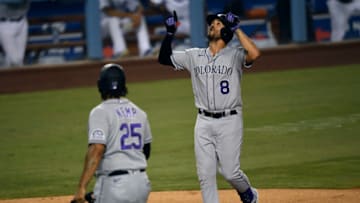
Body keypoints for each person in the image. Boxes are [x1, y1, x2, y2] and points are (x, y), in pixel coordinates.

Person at [158, 11, 260, 203]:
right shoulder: (194, 56)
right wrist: (170, 33)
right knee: (205, 175)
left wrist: (237, 29)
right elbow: (164, 58)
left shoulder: (235, 55)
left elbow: (254, 53)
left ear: (226, 31)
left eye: (219, 24)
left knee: (230, 173)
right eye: (212, 23)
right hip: (203, 122)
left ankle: (248, 193)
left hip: (230, 120)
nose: (213, 25)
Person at [70, 63, 153, 203]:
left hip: (114, 183)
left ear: (100, 86)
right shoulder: (140, 113)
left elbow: (97, 149)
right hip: (141, 184)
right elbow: (146, 151)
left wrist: (81, 187)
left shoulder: (100, 112)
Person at [0, 0, 30, 68]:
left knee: (19, 59)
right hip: (5, 24)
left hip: (22, 22)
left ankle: (7, 75)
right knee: (15, 60)